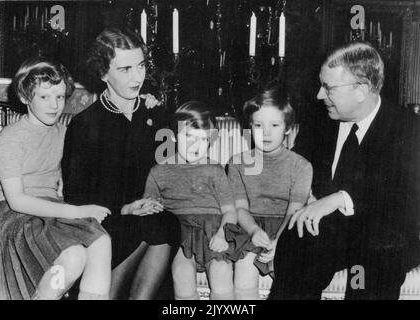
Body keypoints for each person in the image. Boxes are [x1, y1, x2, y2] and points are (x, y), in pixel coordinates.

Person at [269, 41, 420, 300]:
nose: (319, 95)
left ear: (361, 89)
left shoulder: (407, 128)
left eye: (328, 88)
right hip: (331, 230)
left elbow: (405, 199)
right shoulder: (320, 119)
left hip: (386, 232)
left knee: (376, 256)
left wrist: (341, 198)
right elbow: (295, 171)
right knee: (298, 238)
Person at [61, 28, 180, 300]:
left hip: (155, 216)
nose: (138, 77)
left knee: (164, 224)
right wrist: (124, 208)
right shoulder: (85, 125)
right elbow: (76, 196)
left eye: (140, 66)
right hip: (108, 220)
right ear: (103, 73)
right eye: (125, 69)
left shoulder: (158, 115)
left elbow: (172, 174)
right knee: (153, 227)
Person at [0, 58, 112, 300]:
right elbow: (17, 200)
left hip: (50, 210)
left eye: (60, 97)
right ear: (26, 97)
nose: (54, 105)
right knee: (74, 257)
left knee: (101, 241)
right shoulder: (10, 138)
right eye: (44, 97)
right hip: (14, 215)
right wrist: (75, 211)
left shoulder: (64, 132)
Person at [142, 101, 239, 300]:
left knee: (222, 277)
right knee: (181, 278)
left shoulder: (215, 170)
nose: (195, 145)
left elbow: (230, 211)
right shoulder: (158, 171)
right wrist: (150, 206)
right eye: (188, 136)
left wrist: (222, 233)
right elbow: (148, 211)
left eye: (203, 139)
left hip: (213, 231)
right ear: (175, 135)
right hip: (179, 234)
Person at [227, 89, 312, 300]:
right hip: (249, 225)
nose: (265, 133)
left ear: (287, 129)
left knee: (292, 272)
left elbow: (295, 210)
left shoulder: (301, 165)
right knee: (243, 269)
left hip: (288, 226)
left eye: (274, 125)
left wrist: (280, 241)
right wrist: (254, 230)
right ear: (249, 127)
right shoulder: (237, 163)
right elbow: (240, 208)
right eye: (258, 125)